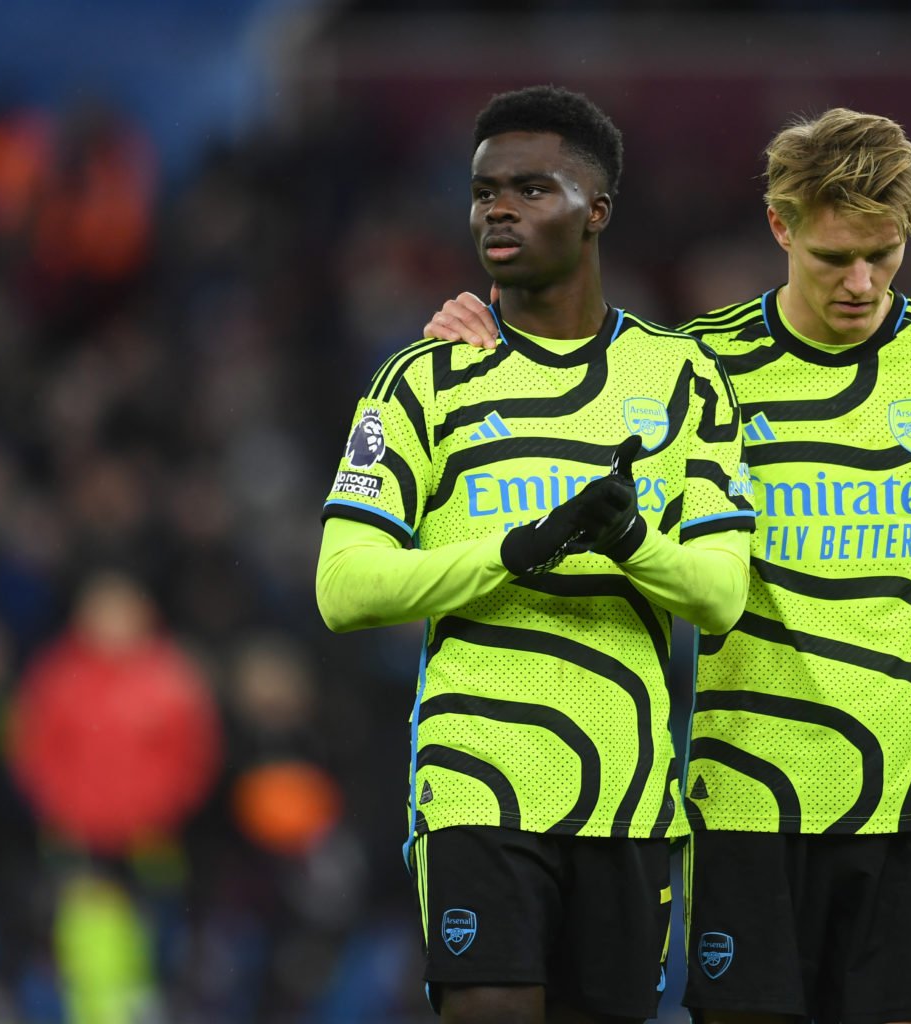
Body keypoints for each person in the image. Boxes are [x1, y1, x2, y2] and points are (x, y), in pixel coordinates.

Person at [425, 107, 911, 1024]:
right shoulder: (700, 367)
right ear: (781, 228)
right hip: (744, 809)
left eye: (883, 255)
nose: (860, 282)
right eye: (833, 255)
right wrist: (475, 342)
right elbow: (564, 391)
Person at [316, 86, 755, 1023]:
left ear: (596, 210)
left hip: (630, 798)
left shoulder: (681, 382)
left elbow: (721, 596)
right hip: (478, 783)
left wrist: (626, 539)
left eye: (529, 188)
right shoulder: (424, 379)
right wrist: (515, 550)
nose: (497, 209)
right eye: (482, 193)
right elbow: (343, 586)